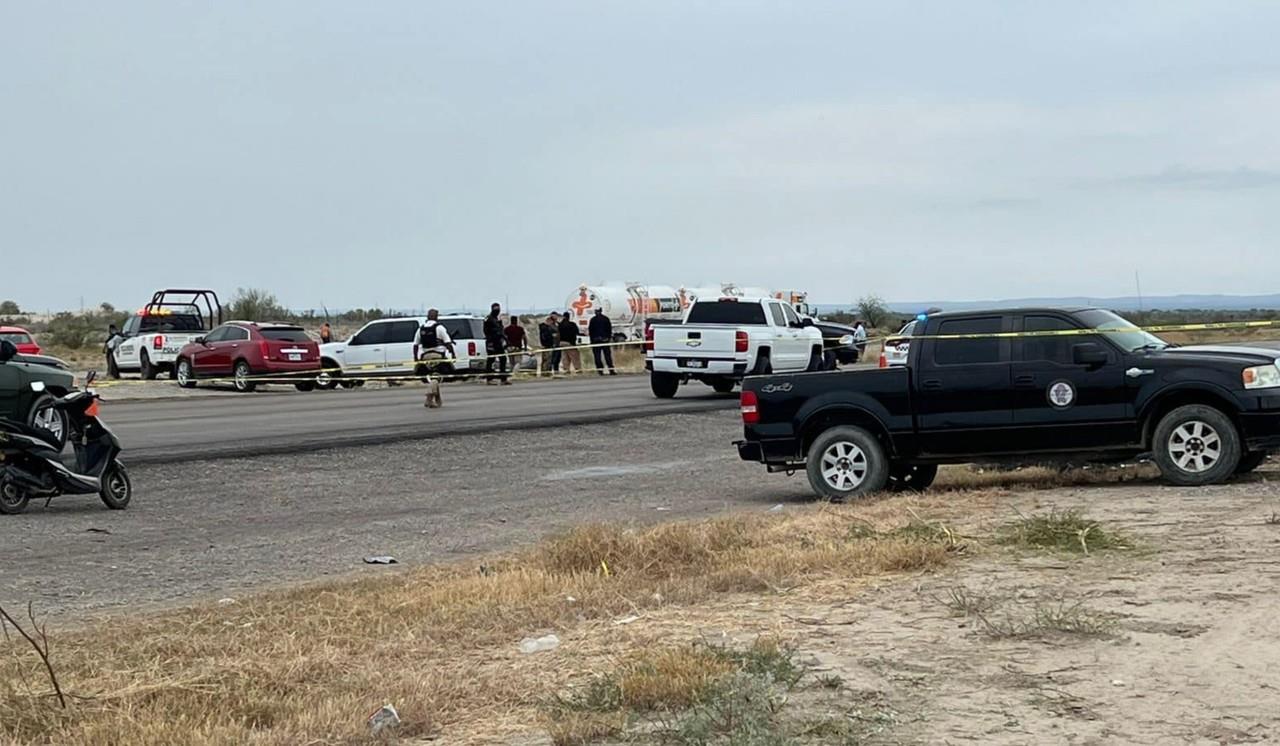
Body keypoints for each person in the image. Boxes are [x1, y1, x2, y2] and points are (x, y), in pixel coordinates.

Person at [418, 309, 454, 407]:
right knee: (436, 377)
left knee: (434, 375)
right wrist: (452, 354)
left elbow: (415, 345)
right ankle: (429, 399)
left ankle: (438, 400)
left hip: (425, 356)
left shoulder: (421, 329)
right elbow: (448, 343)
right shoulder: (440, 328)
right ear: (436, 317)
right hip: (438, 355)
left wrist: (416, 359)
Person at [483, 303, 510, 385]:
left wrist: (505, 339)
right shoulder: (489, 318)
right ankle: (489, 379)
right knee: (491, 360)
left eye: (498, 309)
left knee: (503, 359)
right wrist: (491, 338)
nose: (497, 311)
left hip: (498, 342)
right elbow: (486, 331)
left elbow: (501, 331)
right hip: (491, 342)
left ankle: (503, 379)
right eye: (496, 309)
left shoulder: (496, 319)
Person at [587, 308, 616, 375]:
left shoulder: (593, 320)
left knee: (597, 356)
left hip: (596, 340)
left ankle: (600, 370)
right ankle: (611, 369)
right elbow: (609, 329)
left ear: (595, 311)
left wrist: (591, 341)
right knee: (607, 356)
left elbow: (591, 331)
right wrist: (608, 338)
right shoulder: (606, 319)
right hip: (605, 340)